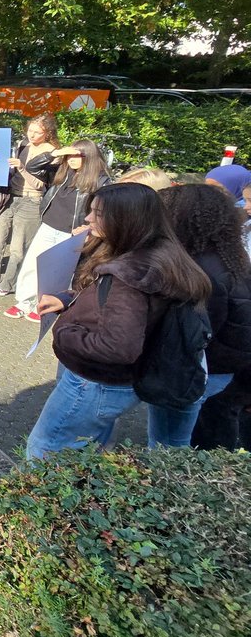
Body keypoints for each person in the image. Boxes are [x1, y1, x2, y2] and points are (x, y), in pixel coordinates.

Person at [25, 183, 211, 459]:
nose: (88, 219)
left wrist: (65, 332)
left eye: (97, 213)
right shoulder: (161, 257)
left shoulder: (127, 276)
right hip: (122, 382)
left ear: (126, 220)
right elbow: (118, 307)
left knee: (46, 449)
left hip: (95, 383)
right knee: (87, 452)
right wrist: (69, 301)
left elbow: (119, 347)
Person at [157, 184, 251, 449]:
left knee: (169, 442)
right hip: (219, 368)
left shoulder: (203, 273)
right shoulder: (227, 259)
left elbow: (194, 333)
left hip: (200, 370)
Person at [6, 139, 111, 322]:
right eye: (69, 155)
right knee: (33, 265)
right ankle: (24, 302)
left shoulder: (101, 180)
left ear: (89, 157)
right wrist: (56, 153)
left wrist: (89, 227)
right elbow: (32, 167)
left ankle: (46, 305)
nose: (71, 159)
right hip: (48, 226)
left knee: (59, 271)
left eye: (76, 155)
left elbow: (107, 209)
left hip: (71, 233)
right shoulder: (63, 172)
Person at [0, 114, 60, 297]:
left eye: (37, 132)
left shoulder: (53, 154)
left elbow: (43, 185)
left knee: (18, 247)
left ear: (47, 133)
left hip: (31, 200)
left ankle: (8, 284)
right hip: (9, 198)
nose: (31, 135)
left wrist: (22, 168)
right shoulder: (22, 145)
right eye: (30, 130)